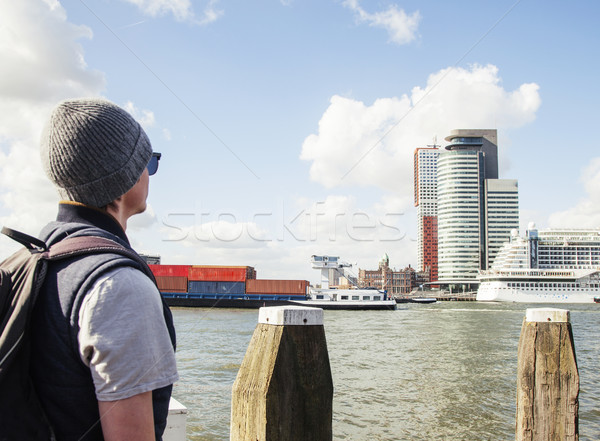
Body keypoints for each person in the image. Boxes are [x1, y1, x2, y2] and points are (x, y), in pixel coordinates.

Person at [30, 98, 178, 440]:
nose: (149, 174)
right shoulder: (119, 287)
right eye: (149, 163)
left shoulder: (39, 261)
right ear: (125, 178)